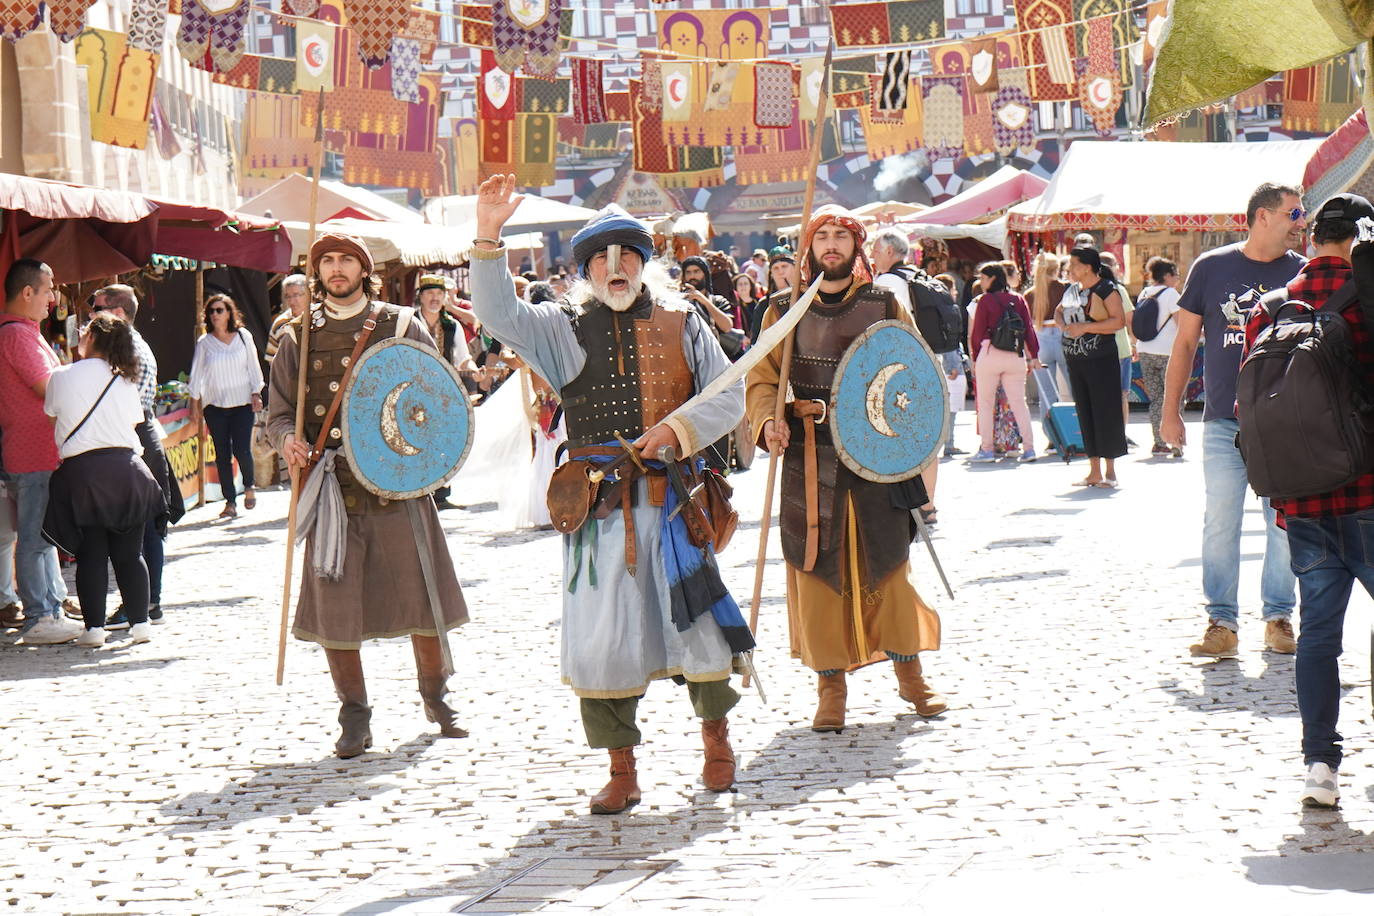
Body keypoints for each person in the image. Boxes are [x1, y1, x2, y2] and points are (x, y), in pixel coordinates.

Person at [471, 177, 751, 813]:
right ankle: (622, 769)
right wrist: (489, 233)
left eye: (628, 254)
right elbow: (497, 315)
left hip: (677, 506)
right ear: (585, 268)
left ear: (645, 262)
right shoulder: (561, 328)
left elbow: (727, 395)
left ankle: (717, 744)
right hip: (597, 513)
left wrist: (678, 430)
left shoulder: (683, 321)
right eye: (601, 257)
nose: (616, 267)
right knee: (603, 641)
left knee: (701, 631)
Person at [267, 231, 470, 758]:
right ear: (318, 272)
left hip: (397, 484)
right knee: (337, 608)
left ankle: (437, 696)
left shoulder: (400, 325)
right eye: (327, 261)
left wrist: (421, 452)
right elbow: (279, 411)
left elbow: (436, 396)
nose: (336, 269)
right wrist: (287, 439)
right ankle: (354, 715)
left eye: (346, 261)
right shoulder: (297, 337)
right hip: (332, 489)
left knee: (422, 598)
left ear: (363, 269)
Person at [748, 205, 946, 734]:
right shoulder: (781, 311)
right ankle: (829, 686)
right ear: (808, 248)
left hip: (877, 458)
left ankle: (911, 674)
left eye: (840, 236)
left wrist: (907, 435)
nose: (830, 245)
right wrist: (772, 418)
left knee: (889, 567)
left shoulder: (882, 303)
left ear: (856, 248)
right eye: (822, 237)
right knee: (817, 570)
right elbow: (762, 380)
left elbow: (913, 370)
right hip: (811, 456)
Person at [1237, 193, 1374, 807]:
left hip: (1303, 502)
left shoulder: (1267, 308)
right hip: (1369, 490)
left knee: (1319, 633)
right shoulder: (1366, 296)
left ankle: (1320, 765)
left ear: (1313, 236)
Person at [1162, 182, 1304, 657]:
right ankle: (1221, 623)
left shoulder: (1301, 273)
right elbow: (1183, 345)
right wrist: (1169, 412)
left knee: (1284, 523)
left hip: (1283, 423)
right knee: (1219, 522)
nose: (1299, 222)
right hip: (1223, 420)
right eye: (1293, 212)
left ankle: (1279, 617)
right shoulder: (1212, 267)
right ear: (1262, 216)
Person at [43, 314, 164, 648]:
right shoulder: (123, 379)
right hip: (127, 471)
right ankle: (141, 624)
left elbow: (51, 411)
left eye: (84, 329)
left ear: (93, 336)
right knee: (130, 554)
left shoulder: (61, 376)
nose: (79, 332)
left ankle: (94, 629)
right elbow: (133, 420)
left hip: (84, 475)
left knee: (92, 554)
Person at [0, 259, 80, 645]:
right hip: (31, 454)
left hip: (38, 452)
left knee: (42, 535)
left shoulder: (26, 331)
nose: (53, 298)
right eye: (48, 290)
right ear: (27, 292)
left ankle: (50, 607)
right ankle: (39, 616)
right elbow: (45, 387)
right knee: (33, 537)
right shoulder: (16, 334)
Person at [89, 285, 171, 629]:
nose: (91, 315)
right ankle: (147, 602)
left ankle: (143, 603)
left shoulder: (126, 350)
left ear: (118, 313)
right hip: (141, 436)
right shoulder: (133, 344)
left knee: (140, 529)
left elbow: (121, 407)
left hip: (134, 439)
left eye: (97, 309)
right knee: (145, 526)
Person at [870, 228, 948, 517]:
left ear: (890, 251)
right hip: (928, 364)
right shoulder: (916, 276)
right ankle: (927, 503)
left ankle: (912, 504)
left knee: (900, 437)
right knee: (927, 438)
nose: (873, 255)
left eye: (876, 250)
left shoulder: (888, 282)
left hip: (902, 370)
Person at [189, 294, 264, 520]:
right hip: (215, 405)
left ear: (230, 312)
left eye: (220, 310)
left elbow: (253, 365)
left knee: (242, 448)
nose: (215, 315)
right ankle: (229, 501)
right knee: (222, 453)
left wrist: (256, 392)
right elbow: (197, 374)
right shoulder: (205, 343)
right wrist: (194, 403)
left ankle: (249, 486)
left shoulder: (243, 336)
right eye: (211, 311)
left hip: (241, 402)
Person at [1057, 247, 1127, 487]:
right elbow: (1058, 312)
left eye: (1074, 264)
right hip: (1076, 359)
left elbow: (1119, 321)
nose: (1070, 269)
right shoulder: (1072, 290)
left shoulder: (1107, 289)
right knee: (1085, 412)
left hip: (1101, 359)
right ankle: (1093, 470)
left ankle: (1110, 471)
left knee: (1106, 412)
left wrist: (1084, 328)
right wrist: (1064, 326)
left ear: (1087, 266)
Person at [415, 274, 484, 510]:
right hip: (413, 391)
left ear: (445, 298)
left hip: (443, 392)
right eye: (430, 294)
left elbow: (463, 358)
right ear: (421, 297)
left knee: (442, 441)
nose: (434, 298)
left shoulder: (451, 325)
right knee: (417, 440)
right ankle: (420, 492)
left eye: (439, 294)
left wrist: (474, 370)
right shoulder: (409, 322)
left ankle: (441, 494)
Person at [969, 262, 1040, 463]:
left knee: (985, 405)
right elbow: (1028, 329)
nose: (981, 282)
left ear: (992, 278)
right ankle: (1029, 449)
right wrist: (1033, 355)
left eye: (983, 278)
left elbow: (977, 334)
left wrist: (976, 358)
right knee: (1019, 403)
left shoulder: (985, 301)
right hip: (1015, 356)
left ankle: (987, 450)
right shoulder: (1018, 299)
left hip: (990, 353)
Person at [1134, 257, 1183, 457]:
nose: (1178, 280)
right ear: (1167, 276)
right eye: (1176, 275)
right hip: (1167, 352)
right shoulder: (1171, 294)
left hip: (1145, 350)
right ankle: (1176, 444)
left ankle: (1159, 441)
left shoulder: (1144, 293)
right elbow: (1182, 324)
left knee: (1155, 398)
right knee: (1173, 397)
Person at [1026, 252, 1068, 412]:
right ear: (1056, 269)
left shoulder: (1029, 294)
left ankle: (1050, 431)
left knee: (1047, 395)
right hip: (1063, 336)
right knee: (1073, 392)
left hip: (1040, 340)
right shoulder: (1065, 289)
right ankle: (1077, 431)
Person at [266, 273, 309, 361]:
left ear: (308, 294)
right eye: (287, 296)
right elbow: (272, 358)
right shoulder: (280, 323)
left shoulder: (319, 318)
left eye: (296, 295)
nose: (291, 301)